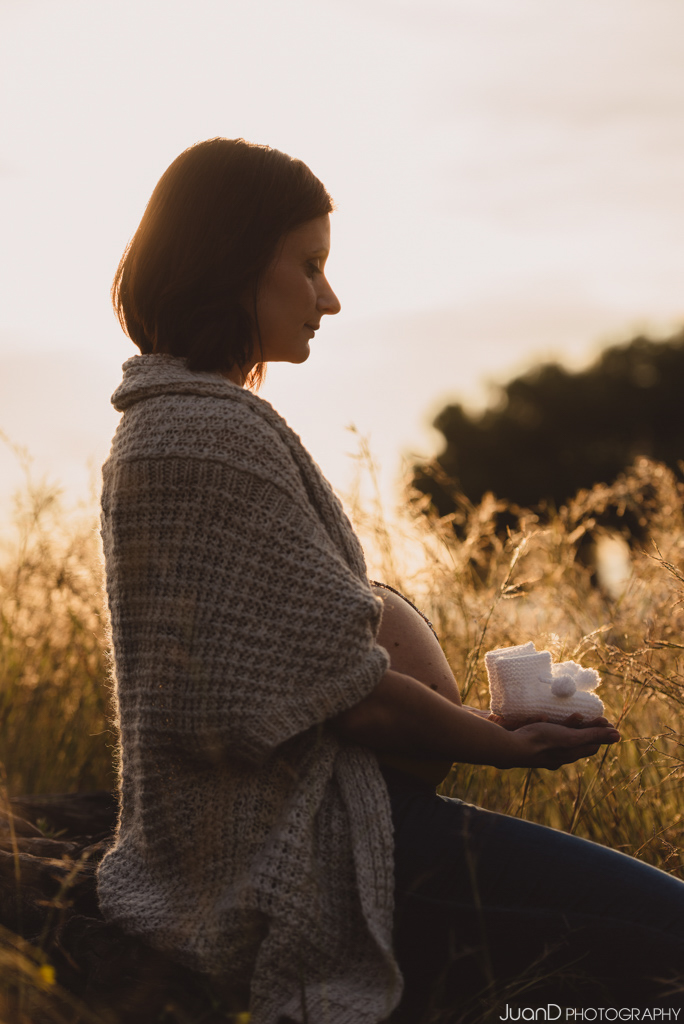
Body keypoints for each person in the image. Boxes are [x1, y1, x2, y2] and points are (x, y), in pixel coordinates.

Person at [97, 138, 684, 1024]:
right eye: (309, 267)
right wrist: (503, 746)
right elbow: (351, 697)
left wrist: (480, 719)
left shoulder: (185, 425)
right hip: (307, 843)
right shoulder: (203, 439)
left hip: (336, 807)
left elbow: (299, 671)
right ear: (229, 267)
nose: (330, 298)